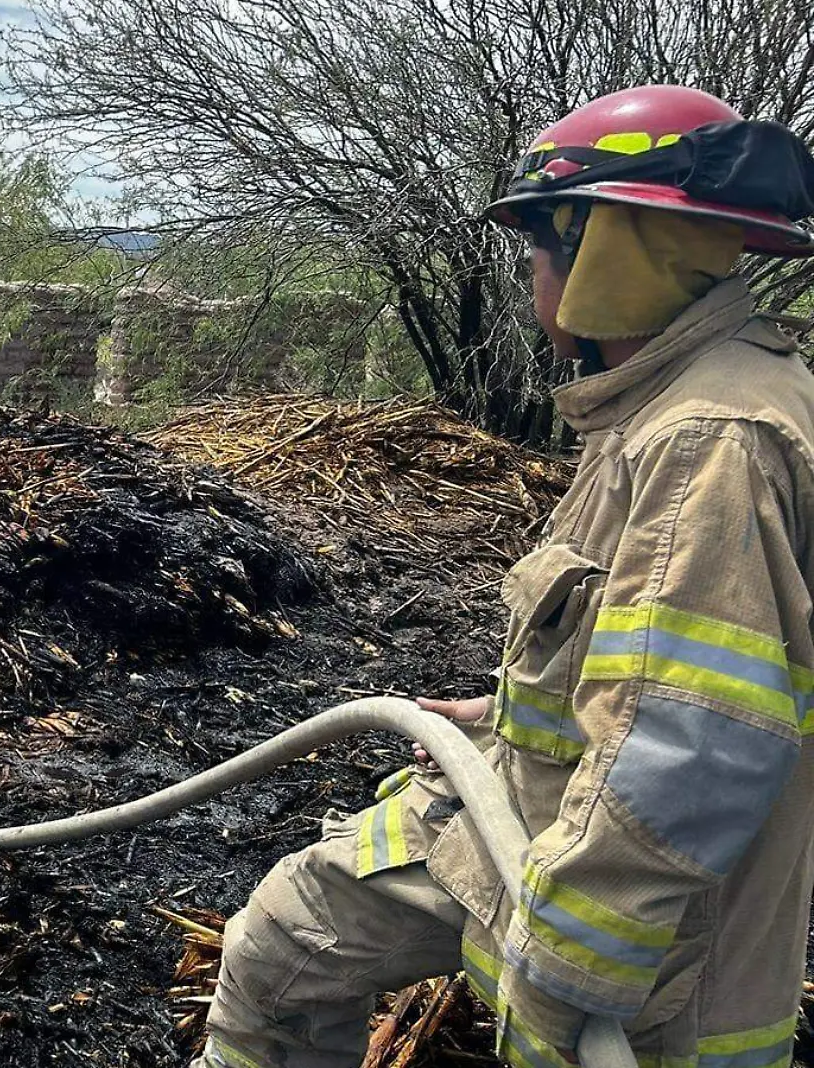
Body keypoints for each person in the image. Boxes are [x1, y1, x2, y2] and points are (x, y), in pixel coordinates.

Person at [202, 85, 814, 1068]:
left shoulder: (711, 437)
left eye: (538, 243)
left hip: (621, 921)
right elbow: (647, 660)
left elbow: (694, 745)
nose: (530, 270)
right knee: (280, 941)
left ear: (598, 251)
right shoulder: (668, 406)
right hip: (521, 824)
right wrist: (504, 711)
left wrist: (560, 976)